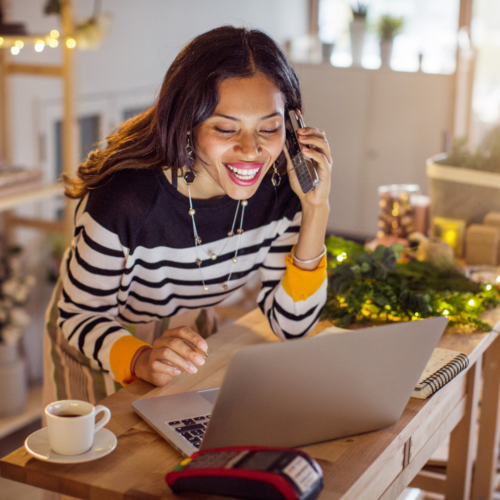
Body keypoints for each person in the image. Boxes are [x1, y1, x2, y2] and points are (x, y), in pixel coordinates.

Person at [43, 26, 332, 406]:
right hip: (100, 342)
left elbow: (292, 326)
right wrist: (141, 358)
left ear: (292, 126)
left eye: (270, 127)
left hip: (185, 336)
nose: (251, 150)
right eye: (226, 128)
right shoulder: (125, 198)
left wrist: (315, 210)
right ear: (187, 125)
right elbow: (81, 314)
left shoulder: (283, 190)